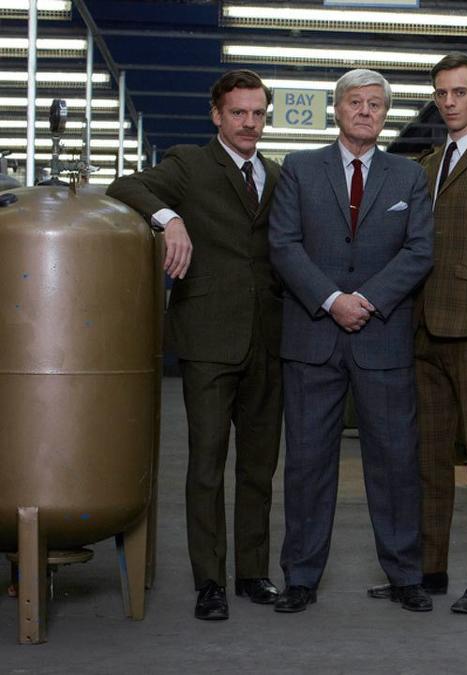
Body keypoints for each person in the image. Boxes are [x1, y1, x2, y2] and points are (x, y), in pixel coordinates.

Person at [107, 69, 283, 621]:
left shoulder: (277, 174)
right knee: (206, 465)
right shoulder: (189, 164)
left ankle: (252, 573)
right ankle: (210, 582)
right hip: (208, 338)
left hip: (268, 339)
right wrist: (170, 218)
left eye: (257, 113)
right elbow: (124, 187)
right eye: (238, 113)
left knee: (258, 467)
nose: (249, 123)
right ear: (216, 115)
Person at [268, 68, 434, 613]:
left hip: (382, 337)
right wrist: (331, 299)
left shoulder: (408, 176)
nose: (366, 111)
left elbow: (419, 250)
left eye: (376, 104)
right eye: (355, 102)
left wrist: (366, 299)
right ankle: (300, 578)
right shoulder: (299, 168)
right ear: (337, 110)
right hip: (312, 337)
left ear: (386, 114)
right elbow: (284, 244)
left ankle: (405, 575)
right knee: (307, 463)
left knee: (395, 462)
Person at [376, 53, 467, 614]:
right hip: (424, 327)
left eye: (460, 92)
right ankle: (428, 570)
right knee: (428, 460)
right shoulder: (424, 167)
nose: (450, 102)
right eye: (441, 94)